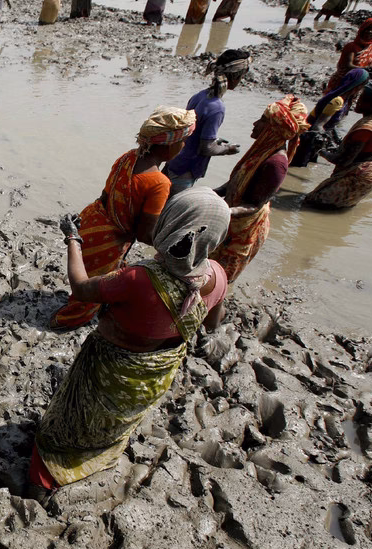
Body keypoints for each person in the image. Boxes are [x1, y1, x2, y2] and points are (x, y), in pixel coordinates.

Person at [32, 188, 230, 490]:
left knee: (76, 418)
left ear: (170, 224)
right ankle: (100, 454)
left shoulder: (139, 278)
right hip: (154, 373)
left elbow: (82, 288)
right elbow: (213, 321)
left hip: (109, 368)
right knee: (117, 420)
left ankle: (48, 473)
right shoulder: (217, 275)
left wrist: (73, 239)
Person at [49, 106, 197, 329]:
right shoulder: (159, 183)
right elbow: (144, 233)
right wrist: (170, 241)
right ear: (169, 145)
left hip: (91, 221)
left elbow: (106, 195)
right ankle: (62, 321)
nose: (183, 146)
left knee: (87, 272)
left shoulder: (127, 158)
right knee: (87, 294)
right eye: (182, 141)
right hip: (110, 240)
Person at [209, 95, 310, 284]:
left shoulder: (276, 164)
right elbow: (233, 184)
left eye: (263, 121)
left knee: (220, 278)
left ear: (275, 129)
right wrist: (207, 195)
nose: (255, 123)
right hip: (231, 218)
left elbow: (255, 204)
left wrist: (224, 211)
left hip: (244, 229)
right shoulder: (260, 151)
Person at [304, 78, 372, 210]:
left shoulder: (366, 128)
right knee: (337, 205)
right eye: (360, 96)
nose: (357, 100)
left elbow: (342, 160)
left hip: (361, 176)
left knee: (311, 204)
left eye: (362, 98)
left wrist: (320, 150)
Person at [164, 49, 252, 194]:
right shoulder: (217, 107)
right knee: (171, 210)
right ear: (236, 77)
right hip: (186, 169)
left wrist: (214, 140)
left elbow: (192, 132)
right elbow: (206, 148)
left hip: (174, 159)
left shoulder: (200, 96)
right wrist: (228, 149)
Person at [319, 18, 372, 130]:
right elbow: (348, 65)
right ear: (362, 29)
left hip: (357, 85)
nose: (370, 32)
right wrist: (367, 72)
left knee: (344, 110)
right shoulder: (351, 47)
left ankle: (332, 130)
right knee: (330, 107)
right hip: (342, 82)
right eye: (368, 29)